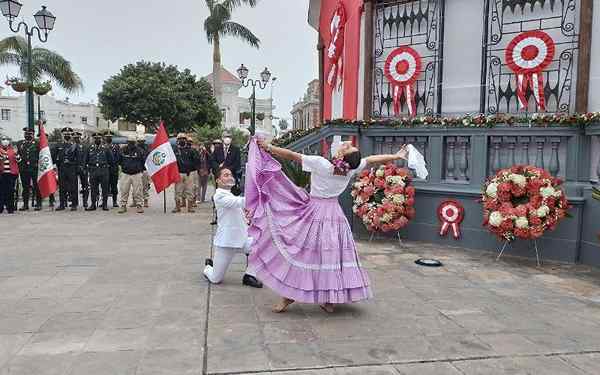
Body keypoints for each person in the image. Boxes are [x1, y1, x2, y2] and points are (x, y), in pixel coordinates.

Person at [246, 138, 408, 313]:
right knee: (332, 257)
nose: (346, 144)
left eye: (347, 147)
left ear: (339, 155)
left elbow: (292, 155)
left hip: (315, 213)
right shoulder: (351, 169)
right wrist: (396, 155)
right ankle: (328, 299)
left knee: (305, 254)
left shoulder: (322, 164)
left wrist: (269, 147)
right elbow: (373, 159)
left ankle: (291, 296)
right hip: (335, 215)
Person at [204, 167, 263, 288]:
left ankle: (249, 275)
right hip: (227, 243)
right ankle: (208, 267)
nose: (230, 177)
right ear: (218, 181)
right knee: (216, 279)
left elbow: (240, 210)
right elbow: (239, 202)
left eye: (230, 174)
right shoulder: (219, 196)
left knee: (262, 246)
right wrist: (260, 195)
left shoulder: (230, 195)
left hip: (242, 239)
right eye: (226, 175)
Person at [84, 133, 114, 211]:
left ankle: (104, 205)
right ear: (94, 139)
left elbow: (111, 160)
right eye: (96, 138)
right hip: (93, 170)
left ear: (101, 139)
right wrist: (87, 169)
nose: (97, 140)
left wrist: (108, 169)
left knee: (105, 189)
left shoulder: (106, 148)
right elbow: (85, 160)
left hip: (103, 170)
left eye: (99, 139)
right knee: (93, 188)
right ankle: (93, 204)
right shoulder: (89, 148)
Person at [117, 136, 145, 214]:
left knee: (138, 191)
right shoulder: (122, 150)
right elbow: (119, 161)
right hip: (125, 173)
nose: (131, 144)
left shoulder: (140, 150)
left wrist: (140, 170)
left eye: (132, 142)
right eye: (129, 142)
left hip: (137, 174)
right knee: (124, 190)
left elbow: (143, 162)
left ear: (135, 143)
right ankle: (123, 205)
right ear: (127, 142)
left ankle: (139, 205)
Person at [56, 128, 81, 211]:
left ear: (71, 136)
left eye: (68, 134)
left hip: (71, 168)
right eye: (65, 134)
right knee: (62, 187)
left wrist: (76, 169)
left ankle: (74, 204)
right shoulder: (59, 145)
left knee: (73, 187)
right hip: (62, 169)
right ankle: (62, 204)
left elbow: (78, 158)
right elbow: (55, 157)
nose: (67, 135)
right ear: (63, 135)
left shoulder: (74, 145)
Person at [172, 133, 198, 213]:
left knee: (190, 190)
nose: (182, 140)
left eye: (183, 139)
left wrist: (191, 168)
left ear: (186, 140)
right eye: (180, 139)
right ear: (177, 141)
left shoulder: (191, 150)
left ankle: (190, 207)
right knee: (178, 191)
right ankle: (177, 207)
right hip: (178, 174)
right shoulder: (175, 150)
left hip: (188, 174)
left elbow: (196, 161)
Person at [17, 127, 40, 211]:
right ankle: (25, 204)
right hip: (24, 169)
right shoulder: (20, 143)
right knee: (25, 187)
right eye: (26, 134)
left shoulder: (37, 143)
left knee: (37, 186)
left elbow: (41, 155)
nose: (27, 135)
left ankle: (38, 203)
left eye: (29, 134)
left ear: (33, 134)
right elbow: (18, 155)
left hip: (34, 168)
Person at [0, 136, 20, 214]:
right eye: (3, 140)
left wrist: (16, 153)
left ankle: (10, 208)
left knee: (10, 192)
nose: (5, 141)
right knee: (1, 191)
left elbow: (19, 160)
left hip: (11, 174)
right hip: (1, 174)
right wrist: (2, 158)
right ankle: (0, 207)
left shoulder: (12, 150)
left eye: (6, 140)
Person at [73, 131, 89, 208]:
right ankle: (75, 202)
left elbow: (86, 157)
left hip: (83, 168)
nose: (76, 139)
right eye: (75, 138)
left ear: (80, 138)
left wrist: (83, 166)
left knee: (85, 186)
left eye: (77, 138)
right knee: (74, 186)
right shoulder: (71, 146)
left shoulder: (84, 146)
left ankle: (85, 201)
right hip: (74, 168)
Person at [105, 133, 120, 208]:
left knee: (114, 186)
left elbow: (118, 158)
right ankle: (104, 202)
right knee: (105, 186)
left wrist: (112, 164)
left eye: (110, 137)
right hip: (105, 170)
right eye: (107, 137)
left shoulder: (116, 147)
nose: (108, 138)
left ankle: (115, 202)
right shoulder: (103, 147)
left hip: (113, 169)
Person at [137, 136, 150, 208]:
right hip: (137, 170)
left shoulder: (147, 149)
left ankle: (145, 201)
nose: (140, 142)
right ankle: (135, 201)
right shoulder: (135, 149)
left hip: (144, 170)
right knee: (137, 187)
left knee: (145, 186)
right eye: (139, 141)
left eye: (142, 141)